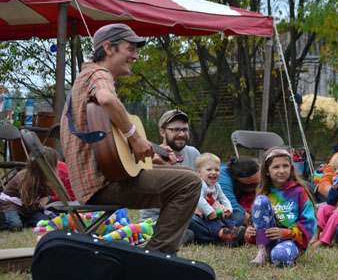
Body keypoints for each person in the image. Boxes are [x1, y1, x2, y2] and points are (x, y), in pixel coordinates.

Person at [60, 23, 201, 255]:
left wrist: (152, 157)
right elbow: (107, 99)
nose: (135, 56)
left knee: (186, 174)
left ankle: (154, 248)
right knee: (190, 183)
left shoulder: (85, 79)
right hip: (101, 186)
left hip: (103, 179)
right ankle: (158, 255)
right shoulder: (98, 73)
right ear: (108, 48)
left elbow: (111, 152)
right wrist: (134, 137)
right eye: (130, 49)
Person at [245, 147, 316, 267]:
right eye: (276, 167)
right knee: (260, 200)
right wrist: (250, 231)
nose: (282, 170)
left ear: (291, 168)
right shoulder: (265, 192)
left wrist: (287, 233)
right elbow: (256, 222)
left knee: (279, 257)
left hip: (291, 240)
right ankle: (263, 252)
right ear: (267, 171)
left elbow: (309, 225)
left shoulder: (299, 192)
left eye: (285, 166)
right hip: (269, 240)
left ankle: (281, 254)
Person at [139, 108, 201, 222]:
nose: (182, 134)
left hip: (192, 213)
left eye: (185, 130)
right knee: (191, 222)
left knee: (236, 214)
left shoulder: (194, 153)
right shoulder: (151, 158)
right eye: (176, 130)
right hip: (159, 218)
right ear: (162, 132)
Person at [0, 147, 72, 231]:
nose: (58, 165)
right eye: (55, 163)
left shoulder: (45, 178)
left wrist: (49, 202)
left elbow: (66, 195)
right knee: (15, 225)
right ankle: (7, 218)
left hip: (27, 209)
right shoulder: (25, 179)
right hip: (11, 204)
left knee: (46, 222)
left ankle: (21, 220)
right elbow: (28, 201)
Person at [194, 153, 245, 246]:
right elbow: (199, 199)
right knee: (192, 220)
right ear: (199, 172)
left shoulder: (217, 186)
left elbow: (224, 199)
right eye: (209, 169)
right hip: (201, 216)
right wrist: (210, 212)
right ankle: (225, 235)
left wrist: (228, 209)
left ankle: (232, 233)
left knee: (238, 213)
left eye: (217, 170)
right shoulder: (199, 184)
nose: (213, 172)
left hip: (216, 215)